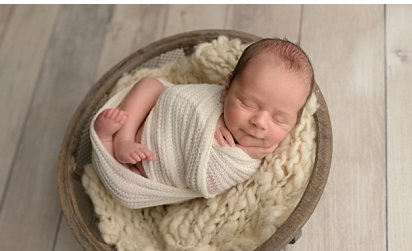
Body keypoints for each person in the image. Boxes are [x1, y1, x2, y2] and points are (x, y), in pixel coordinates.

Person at [90, 38, 314, 209]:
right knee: (150, 85)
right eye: (248, 103)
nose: (260, 122)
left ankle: (105, 139)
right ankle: (122, 139)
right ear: (227, 88)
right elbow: (177, 98)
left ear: (294, 122)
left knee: (128, 192)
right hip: (150, 118)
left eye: (279, 119)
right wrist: (209, 122)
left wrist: (237, 152)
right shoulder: (214, 98)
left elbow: (202, 183)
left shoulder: (249, 159)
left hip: (143, 171)